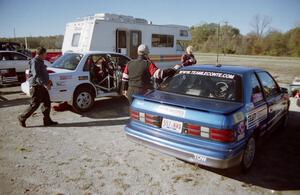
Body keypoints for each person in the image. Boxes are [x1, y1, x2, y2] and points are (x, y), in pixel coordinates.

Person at [18, 47, 58, 127]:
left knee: (47, 102)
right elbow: (37, 75)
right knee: (35, 105)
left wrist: (47, 82)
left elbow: (42, 74)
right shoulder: (35, 62)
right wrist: (45, 84)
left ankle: (47, 120)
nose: (46, 55)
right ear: (42, 54)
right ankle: (22, 117)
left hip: (41, 86)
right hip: (36, 86)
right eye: (45, 54)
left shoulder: (40, 61)